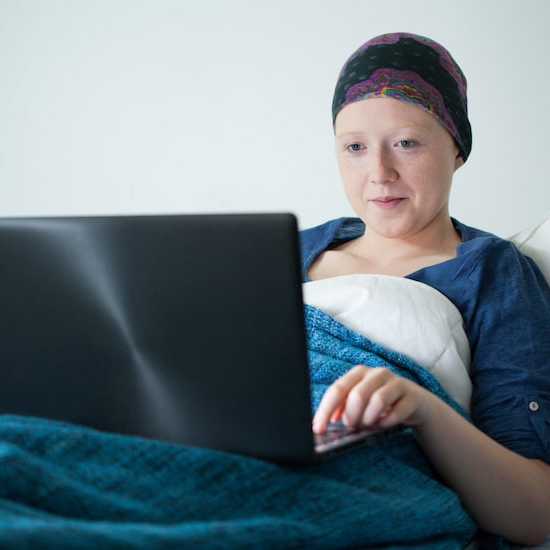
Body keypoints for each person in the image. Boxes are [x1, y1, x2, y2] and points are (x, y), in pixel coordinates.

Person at [301, 32, 550, 545]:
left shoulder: (492, 271)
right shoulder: (290, 248)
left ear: (456, 148)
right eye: (354, 147)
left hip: (351, 490)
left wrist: (419, 407)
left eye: (406, 143)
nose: (379, 173)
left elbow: (537, 512)